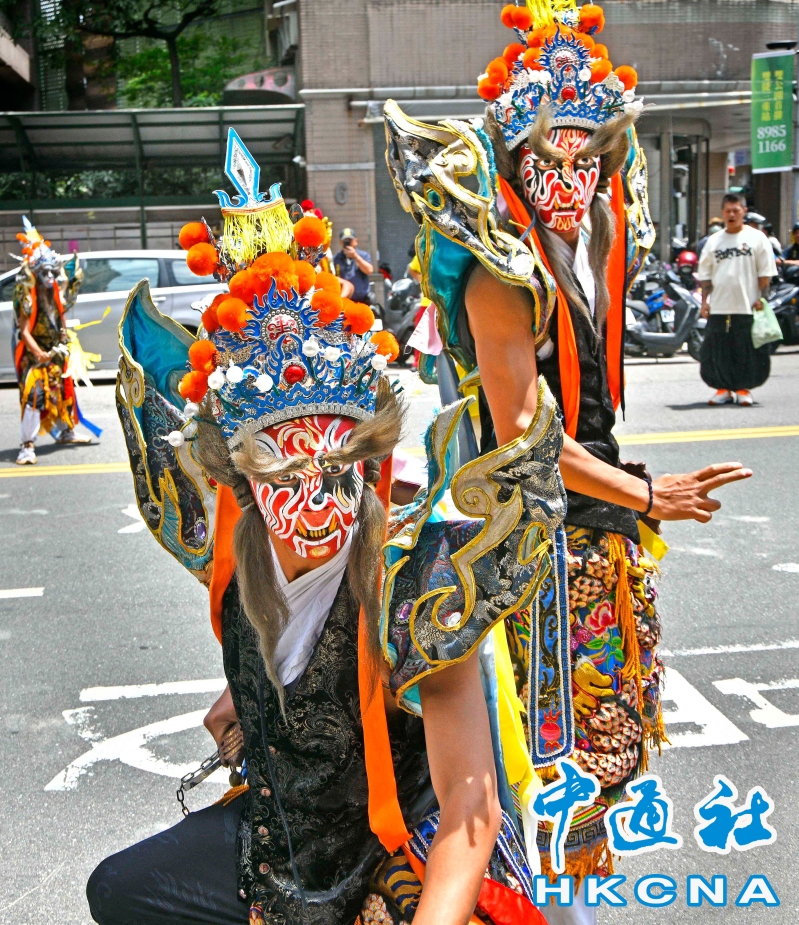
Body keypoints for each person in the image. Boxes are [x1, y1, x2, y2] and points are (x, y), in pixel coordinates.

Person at [87, 129, 566, 925]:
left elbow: (469, 805)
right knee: (121, 889)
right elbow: (289, 643)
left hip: (392, 851)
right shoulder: (230, 562)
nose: (315, 505)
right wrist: (250, 699)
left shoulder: (419, 584)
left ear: (364, 460)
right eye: (285, 478)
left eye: (336, 471)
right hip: (286, 848)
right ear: (242, 480)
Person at [386, 3, 751, 920]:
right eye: (548, 160)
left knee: (600, 761)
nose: (567, 179)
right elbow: (523, 436)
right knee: (545, 767)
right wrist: (648, 494)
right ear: (514, 163)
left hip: (594, 530)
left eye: (584, 159)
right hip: (531, 543)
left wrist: (631, 502)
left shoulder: (597, 242)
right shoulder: (499, 274)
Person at [12, 216, 96, 465]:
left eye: (52, 271)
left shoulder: (53, 293)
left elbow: (60, 316)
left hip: (55, 353)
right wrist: (38, 353)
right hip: (34, 357)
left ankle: (66, 431)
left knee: (63, 391)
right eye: (44, 272)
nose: (50, 276)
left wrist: (63, 338)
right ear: (35, 273)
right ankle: (27, 446)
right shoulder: (28, 296)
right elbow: (24, 331)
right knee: (34, 397)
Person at [698, 192, 778, 406]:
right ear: (722, 213)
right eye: (728, 211)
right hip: (719, 306)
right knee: (718, 349)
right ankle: (723, 389)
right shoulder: (714, 241)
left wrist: (762, 298)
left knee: (746, 350)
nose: (732, 215)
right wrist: (704, 302)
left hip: (748, 306)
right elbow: (705, 276)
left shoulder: (757, 238)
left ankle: (743, 389)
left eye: (736, 210)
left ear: (744, 211)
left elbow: (765, 274)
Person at [333, 227, 374, 304]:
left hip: (362, 301)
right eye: (345, 241)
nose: (347, 243)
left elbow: (369, 270)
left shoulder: (363, 255)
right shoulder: (336, 258)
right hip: (345, 300)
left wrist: (355, 256)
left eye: (349, 240)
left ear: (356, 241)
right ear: (340, 242)